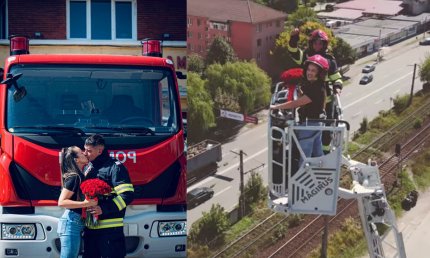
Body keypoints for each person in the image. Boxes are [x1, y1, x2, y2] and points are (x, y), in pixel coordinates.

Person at [82, 134, 134, 258]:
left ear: (100, 150)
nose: (85, 153)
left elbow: (127, 195)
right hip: (90, 229)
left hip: (110, 230)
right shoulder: (88, 167)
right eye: (85, 149)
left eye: (89, 151)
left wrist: (103, 209)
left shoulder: (115, 167)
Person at [270, 54, 328, 161]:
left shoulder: (315, 88)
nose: (309, 73)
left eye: (313, 71)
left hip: (309, 125)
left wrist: (276, 106)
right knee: (318, 153)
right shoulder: (317, 84)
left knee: (304, 158)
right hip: (316, 123)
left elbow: (296, 103)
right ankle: (323, 173)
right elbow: (306, 100)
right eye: (309, 70)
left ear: (319, 73)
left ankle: (304, 176)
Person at [288, 28, 343, 121]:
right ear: (311, 43)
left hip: (326, 101)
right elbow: (293, 52)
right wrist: (294, 38)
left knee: (327, 128)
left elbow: (337, 78)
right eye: (315, 43)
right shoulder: (306, 56)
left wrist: (337, 86)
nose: (317, 46)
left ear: (324, 45)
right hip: (306, 99)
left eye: (320, 43)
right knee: (304, 126)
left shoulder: (330, 60)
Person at [57, 146, 98, 258]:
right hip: (71, 222)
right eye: (81, 153)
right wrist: (86, 204)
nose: (85, 153)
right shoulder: (75, 177)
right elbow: (61, 202)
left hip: (74, 222)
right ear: (76, 160)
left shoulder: (79, 175)